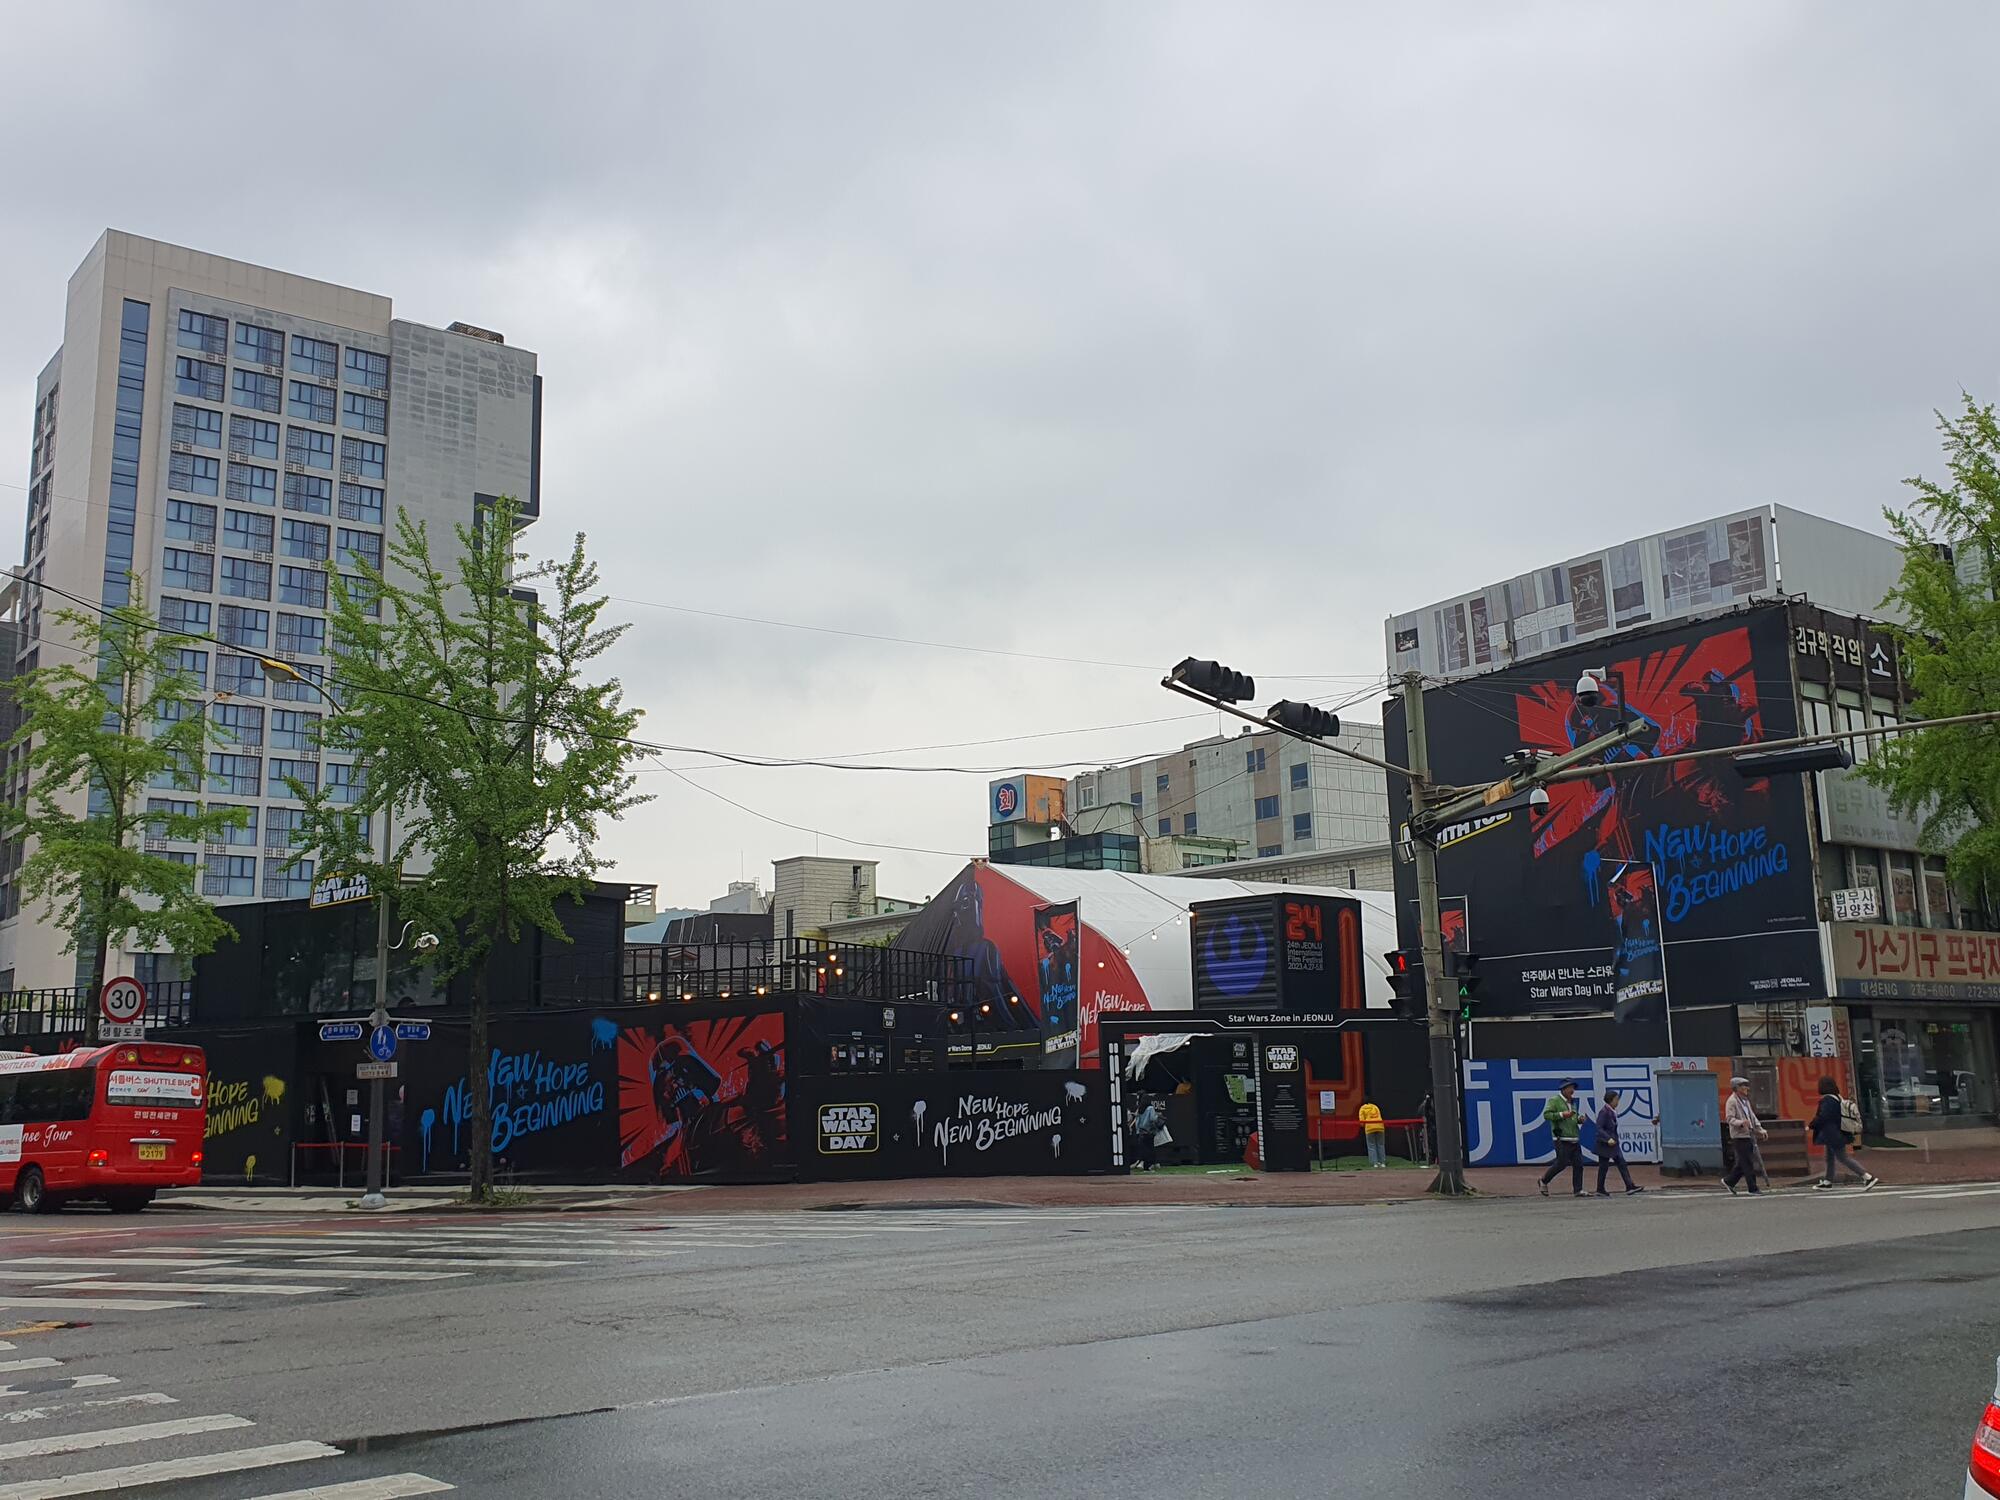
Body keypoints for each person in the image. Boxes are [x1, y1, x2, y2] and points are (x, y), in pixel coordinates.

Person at [1811, 1076, 1876, 1190]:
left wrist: (1811, 1125)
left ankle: (1867, 1176)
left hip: (1833, 1134)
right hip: (1837, 1133)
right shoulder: (1837, 1098)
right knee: (1829, 1157)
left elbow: (1823, 1116)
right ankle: (1827, 1181)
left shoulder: (1828, 1100)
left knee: (1842, 1157)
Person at [1721, 1076, 1768, 1196]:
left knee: (1744, 1162)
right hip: (1739, 1136)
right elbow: (1729, 1119)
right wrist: (1741, 1123)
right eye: (1743, 1086)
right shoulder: (1732, 1101)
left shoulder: (1745, 1101)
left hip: (1748, 1134)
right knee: (1747, 1162)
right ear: (1737, 1088)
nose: (1747, 1088)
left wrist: (1760, 1130)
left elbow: (1752, 1117)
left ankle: (1729, 1181)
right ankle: (1753, 1188)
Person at [1538, 1080, 1585, 1197]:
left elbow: (1573, 1118)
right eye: (1570, 1088)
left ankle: (1578, 1190)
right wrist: (1562, 1114)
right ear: (1563, 1089)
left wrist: (1579, 1119)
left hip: (1574, 1137)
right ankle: (1543, 1180)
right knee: (1561, 1164)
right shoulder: (1554, 1100)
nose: (1572, 1090)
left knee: (1579, 1164)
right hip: (1561, 1138)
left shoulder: (1573, 1102)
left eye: (1573, 1088)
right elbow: (1546, 1115)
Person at [1593, 1088, 1643, 1196]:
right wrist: (1608, 1138)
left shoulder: (1612, 1111)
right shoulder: (1604, 1112)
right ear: (1611, 1100)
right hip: (1605, 1144)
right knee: (1604, 1167)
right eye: (1616, 1099)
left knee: (1621, 1163)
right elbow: (1599, 1128)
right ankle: (1600, 1189)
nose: (1618, 1101)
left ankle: (1629, 1186)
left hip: (1613, 1144)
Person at [1131, 1097, 1163, 1172]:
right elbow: (1152, 1118)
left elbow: (1137, 1121)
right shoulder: (1150, 1108)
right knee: (1149, 1149)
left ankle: (1145, 1165)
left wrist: (1138, 1130)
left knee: (1144, 1149)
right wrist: (1157, 1115)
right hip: (1149, 1131)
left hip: (1141, 1131)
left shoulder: (1140, 1109)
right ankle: (1148, 1166)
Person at [1359, 1099, 1387, 1168]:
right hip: (1380, 1127)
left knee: (1371, 1146)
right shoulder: (1375, 1107)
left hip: (1369, 1128)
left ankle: (1375, 1163)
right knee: (1381, 1145)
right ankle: (1383, 1163)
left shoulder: (1362, 1108)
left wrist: (1363, 1126)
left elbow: (1361, 1122)